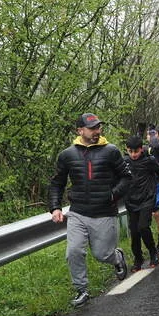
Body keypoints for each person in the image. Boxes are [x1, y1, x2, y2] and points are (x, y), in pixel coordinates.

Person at [49, 113, 131, 306]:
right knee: (74, 251)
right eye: (92, 128)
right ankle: (82, 290)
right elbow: (57, 183)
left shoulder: (111, 151)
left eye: (98, 127)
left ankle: (117, 257)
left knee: (103, 254)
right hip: (78, 212)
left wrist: (112, 195)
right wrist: (55, 207)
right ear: (80, 130)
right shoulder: (67, 155)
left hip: (104, 212)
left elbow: (126, 177)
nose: (97, 131)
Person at [123, 135, 159, 273]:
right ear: (126, 149)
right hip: (131, 200)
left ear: (141, 149)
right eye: (130, 151)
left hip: (147, 198)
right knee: (134, 231)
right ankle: (138, 258)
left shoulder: (149, 160)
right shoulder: (124, 162)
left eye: (136, 151)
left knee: (143, 227)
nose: (133, 154)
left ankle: (153, 252)